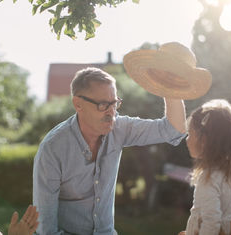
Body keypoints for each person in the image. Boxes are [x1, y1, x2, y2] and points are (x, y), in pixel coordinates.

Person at [33, 67, 187, 234]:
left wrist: (169, 86)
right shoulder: (53, 148)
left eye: (114, 103)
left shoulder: (119, 128)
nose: (111, 112)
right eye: (103, 105)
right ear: (78, 104)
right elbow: (45, 227)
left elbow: (174, 130)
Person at [178, 99, 231, 235]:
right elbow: (226, 217)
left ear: (203, 141)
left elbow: (211, 224)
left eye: (190, 134)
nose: (186, 139)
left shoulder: (208, 179)